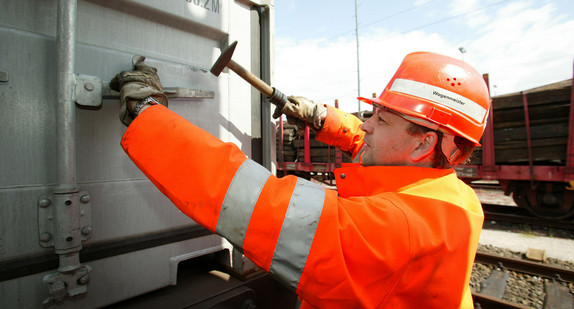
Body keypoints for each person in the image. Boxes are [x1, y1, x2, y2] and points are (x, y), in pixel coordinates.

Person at [110, 51, 491, 308]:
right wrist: (321, 118)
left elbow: (249, 198)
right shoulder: (453, 196)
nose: (367, 125)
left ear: (425, 143)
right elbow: (376, 146)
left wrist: (147, 114)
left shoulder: (390, 230)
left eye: (382, 119)